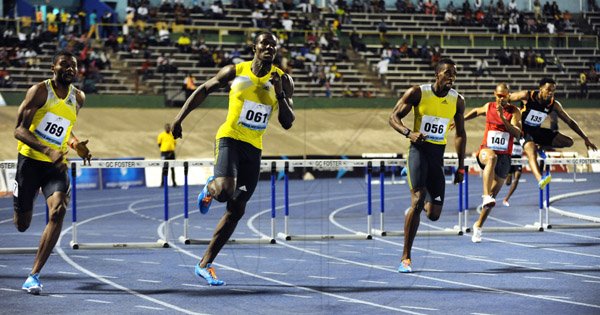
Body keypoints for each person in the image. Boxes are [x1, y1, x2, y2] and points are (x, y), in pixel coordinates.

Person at [171, 32, 295, 285]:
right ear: (255, 48)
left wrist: (280, 94)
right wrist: (179, 118)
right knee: (226, 191)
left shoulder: (283, 79)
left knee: (237, 209)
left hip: (254, 147)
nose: (269, 47)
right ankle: (211, 187)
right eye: (264, 43)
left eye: (273, 44)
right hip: (229, 137)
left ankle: (205, 264)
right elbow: (203, 90)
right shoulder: (235, 71)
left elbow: (288, 122)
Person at [13, 51, 92, 295]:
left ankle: (33, 275)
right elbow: (19, 130)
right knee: (22, 224)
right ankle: (29, 198)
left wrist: (75, 145)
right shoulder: (39, 91)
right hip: (30, 162)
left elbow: (64, 129)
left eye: (74, 66)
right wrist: (47, 150)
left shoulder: (78, 97)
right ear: (53, 68)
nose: (70, 69)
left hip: (55, 165)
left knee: (58, 210)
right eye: (65, 64)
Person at [389, 58, 466, 273]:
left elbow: (460, 134)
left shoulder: (457, 100)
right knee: (418, 200)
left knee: (433, 214)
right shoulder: (418, 93)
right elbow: (393, 117)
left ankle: (417, 189)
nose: (452, 77)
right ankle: (405, 258)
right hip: (418, 151)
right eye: (448, 73)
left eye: (455, 74)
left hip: (436, 157)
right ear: (437, 74)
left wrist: (461, 166)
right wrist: (409, 133)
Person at [508, 78, 598, 190]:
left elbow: (570, 121)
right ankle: (540, 179)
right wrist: (509, 116)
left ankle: (541, 147)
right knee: (531, 151)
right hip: (523, 131)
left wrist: (585, 138)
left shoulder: (553, 104)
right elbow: (508, 98)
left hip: (537, 131)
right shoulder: (527, 95)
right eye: (548, 90)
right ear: (540, 88)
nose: (550, 93)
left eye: (553, 91)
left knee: (569, 142)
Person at [462, 83, 522, 242]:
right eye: (499, 95)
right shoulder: (489, 107)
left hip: (505, 158)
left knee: (493, 198)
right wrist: (461, 119)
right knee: (491, 158)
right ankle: (485, 195)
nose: (501, 98)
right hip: (486, 151)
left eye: (504, 96)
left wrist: (503, 118)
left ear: (509, 96)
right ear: (495, 94)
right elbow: (476, 111)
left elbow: (517, 133)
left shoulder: (514, 112)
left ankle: (478, 226)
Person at [502, 138, 523, 207]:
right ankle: (509, 174)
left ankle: (506, 198)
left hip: (518, 159)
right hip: (510, 157)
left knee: (517, 177)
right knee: (508, 183)